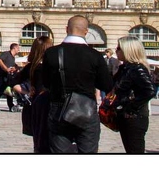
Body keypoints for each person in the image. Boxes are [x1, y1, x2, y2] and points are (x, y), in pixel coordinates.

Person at [39, 16, 112, 153]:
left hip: (59, 109)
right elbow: (106, 85)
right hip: (87, 109)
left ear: (67, 29)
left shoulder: (51, 53)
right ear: (86, 32)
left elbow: (46, 82)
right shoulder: (95, 55)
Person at [108, 36, 156, 153]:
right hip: (126, 116)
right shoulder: (124, 68)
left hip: (135, 117)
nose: (116, 50)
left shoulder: (137, 68)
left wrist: (131, 107)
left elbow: (149, 91)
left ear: (128, 50)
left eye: (119, 48)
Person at [0, 42, 25, 111]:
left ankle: (10, 106)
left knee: (9, 91)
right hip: (3, 75)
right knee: (1, 90)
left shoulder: (13, 57)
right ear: (14, 48)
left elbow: (12, 66)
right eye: (18, 48)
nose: (18, 50)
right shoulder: (6, 54)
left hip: (9, 76)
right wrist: (6, 69)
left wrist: (14, 69)